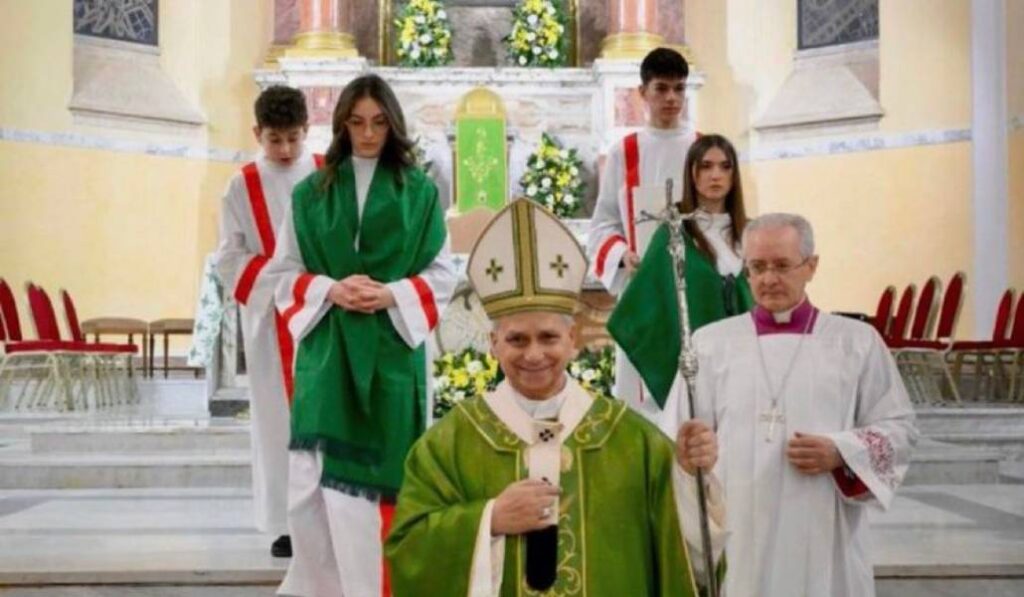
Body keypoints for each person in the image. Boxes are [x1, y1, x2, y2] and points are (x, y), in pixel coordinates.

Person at [385, 198, 726, 597]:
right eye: (516, 339)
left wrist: (687, 475)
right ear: (493, 344)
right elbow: (407, 547)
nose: (533, 354)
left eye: (548, 337)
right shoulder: (451, 444)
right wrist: (490, 519)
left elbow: (686, 548)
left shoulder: (633, 442)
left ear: (573, 340)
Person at [265, 74, 458, 597]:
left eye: (377, 122)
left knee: (373, 498)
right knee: (312, 489)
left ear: (392, 123)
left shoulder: (418, 192)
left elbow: (442, 275)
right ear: (341, 124)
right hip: (327, 356)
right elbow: (282, 274)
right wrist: (331, 288)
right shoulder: (311, 193)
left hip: (391, 357)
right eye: (356, 122)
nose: (367, 134)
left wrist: (390, 294)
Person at [692, 213, 919, 597]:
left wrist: (842, 451)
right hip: (741, 527)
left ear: (811, 266)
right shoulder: (711, 344)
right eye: (757, 267)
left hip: (824, 527)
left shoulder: (856, 342)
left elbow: (899, 429)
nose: (768, 279)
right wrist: (691, 450)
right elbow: (683, 436)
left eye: (782, 265)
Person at [213, 85, 322, 558]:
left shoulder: (325, 174)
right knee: (276, 421)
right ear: (257, 132)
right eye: (274, 139)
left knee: (325, 419)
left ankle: (328, 514)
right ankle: (284, 523)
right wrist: (284, 281)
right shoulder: (241, 185)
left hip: (323, 312)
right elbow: (230, 258)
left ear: (307, 131)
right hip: (271, 319)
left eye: (293, 139)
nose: (284, 150)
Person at [605, 133, 754, 437]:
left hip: (747, 366)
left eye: (725, 167)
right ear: (692, 173)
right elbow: (642, 308)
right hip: (697, 371)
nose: (716, 175)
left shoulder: (751, 234)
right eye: (706, 166)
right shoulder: (674, 233)